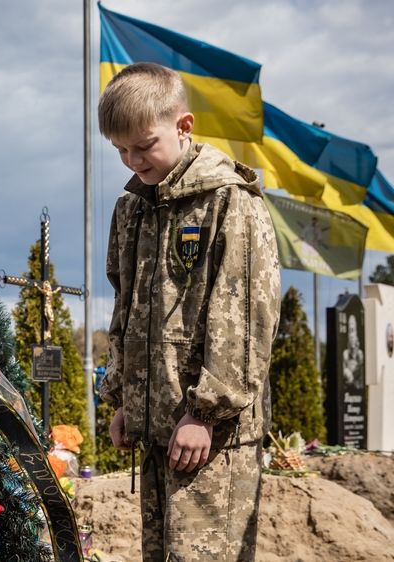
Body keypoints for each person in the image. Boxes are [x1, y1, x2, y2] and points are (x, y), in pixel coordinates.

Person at [97, 63, 281, 562]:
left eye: (144, 145)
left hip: (212, 438)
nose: (132, 161)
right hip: (157, 430)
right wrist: (123, 399)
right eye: (120, 151)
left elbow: (245, 317)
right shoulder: (132, 209)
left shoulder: (229, 202)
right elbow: (125, 309)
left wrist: (205, 412)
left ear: (184, 126)